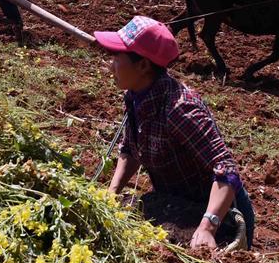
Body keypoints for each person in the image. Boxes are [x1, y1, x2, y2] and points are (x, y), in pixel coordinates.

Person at [95, 16, 255, 250]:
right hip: (177, 206)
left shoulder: (179, 109)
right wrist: (111, 193)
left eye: (116, 57)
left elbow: (226, 168)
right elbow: (130, 150)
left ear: (143, 65)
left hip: (217, 215)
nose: (111, 65)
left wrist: (208, 227)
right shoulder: (136, 96)